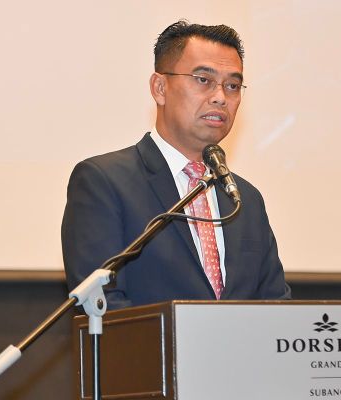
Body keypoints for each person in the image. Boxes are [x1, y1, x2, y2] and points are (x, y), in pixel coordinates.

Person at [62, 20, 291, 310]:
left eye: (233, 86)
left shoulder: (245, 199)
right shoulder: (103, 182)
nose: (220, 97)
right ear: (160, 88)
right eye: (203, 80)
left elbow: (276, 306)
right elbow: (104, 307)